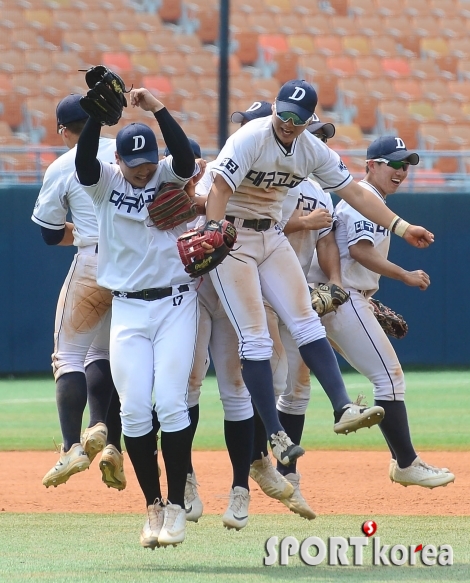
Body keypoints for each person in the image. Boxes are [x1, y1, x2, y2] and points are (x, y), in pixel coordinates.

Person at [206, 79, 434, 473]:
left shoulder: (312, 149)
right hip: (234, 236)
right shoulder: (251, 138)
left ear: (310, 119)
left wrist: (400, 226)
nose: (288, 122)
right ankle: (275, 434)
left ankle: (343, 405)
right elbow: (221, 188)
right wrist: (212, 229)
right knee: (257, 340)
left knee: (307, 321)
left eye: (298, 117)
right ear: (275, 107)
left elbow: (357, 195)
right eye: (283, 112)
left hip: (271, 235)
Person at [75, 87, 202, 549]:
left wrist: (158, 109)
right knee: (132, 410)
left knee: (169, 401)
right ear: (120, 162)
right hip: (127, 307)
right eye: (136, 163)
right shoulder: (106, 182)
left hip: (175, 304)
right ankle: (152, 506)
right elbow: (84, 164)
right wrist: (96, 118)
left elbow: (185, 159)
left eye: (148, 159)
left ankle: (174, 505)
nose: (144, 168)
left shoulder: (167, 175)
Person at [314, 136, 455, 489]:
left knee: (296, 387)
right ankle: (406, 464)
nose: (401, 171)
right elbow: (360, 251)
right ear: (371, 164)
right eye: (393, 163)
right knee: (390, 378)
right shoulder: (365, 200)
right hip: (345, 299)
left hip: (343, 298)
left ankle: (281, 466)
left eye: (405, 165)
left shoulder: (368, 200)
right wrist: (404, 274)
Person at [32, 94, 125, 491]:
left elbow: (50, 232)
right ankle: (109, 442)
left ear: (63, 129)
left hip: (91, 261)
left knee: (69, 354)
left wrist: (80, 233)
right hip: (134, 265)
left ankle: (72, 446)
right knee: (108, 355)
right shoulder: (126, 152)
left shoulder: (62, 165)